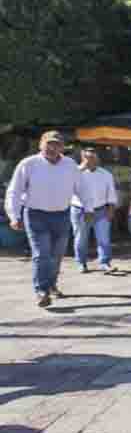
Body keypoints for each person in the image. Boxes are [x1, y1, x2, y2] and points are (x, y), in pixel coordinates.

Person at [4, 130, 94, 307]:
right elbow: (14, 191)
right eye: (49, 144)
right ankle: (41, 290)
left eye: (57, 144)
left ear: (62, 147)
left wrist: (88, 208)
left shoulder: (70, 165)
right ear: (41, 145)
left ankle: (51, 284)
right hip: (35, 215)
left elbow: (82, 188)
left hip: (61, 215)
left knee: (57, 254)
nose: (52, 148)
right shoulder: (29, 164)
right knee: (42, 254)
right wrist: (13, 215)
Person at [70, 147, 118, 274]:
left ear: (98, 159)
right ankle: (81, 263)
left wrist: (111, 209)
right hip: (80, 210)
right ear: (82, 158)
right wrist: (81, 168)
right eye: (87, 157)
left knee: (104, 238)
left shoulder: (106, 174)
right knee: (81, 239)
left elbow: (111, 193)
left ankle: (105, 263)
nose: (90, 160)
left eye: (93, 157)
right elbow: (67, 186)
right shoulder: (76, 172)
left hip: (100, 210)